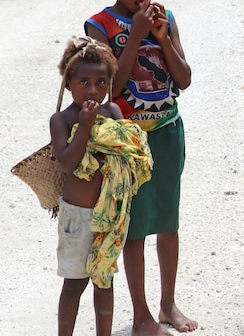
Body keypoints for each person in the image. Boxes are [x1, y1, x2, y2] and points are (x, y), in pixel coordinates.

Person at [84, 0, 197, 335]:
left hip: (166, 132)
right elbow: (110, 89)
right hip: (127, 142)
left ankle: (168, 305)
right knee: (134, 228)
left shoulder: (164, 17)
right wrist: (135, 36)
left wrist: (162, 37)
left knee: (168, 221)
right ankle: (142, 315)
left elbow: (183, 79)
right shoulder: (100, 26)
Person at [50, 37, 152, 336]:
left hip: (111, 215)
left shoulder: (113, 114)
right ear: (68, 83)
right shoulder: (63, 119)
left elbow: (129, 150)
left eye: (101, 81)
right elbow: (68, 163)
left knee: (103, 279)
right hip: (79, 218)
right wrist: (84, 126)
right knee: (74, 284)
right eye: (84, 81)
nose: (92, 89)